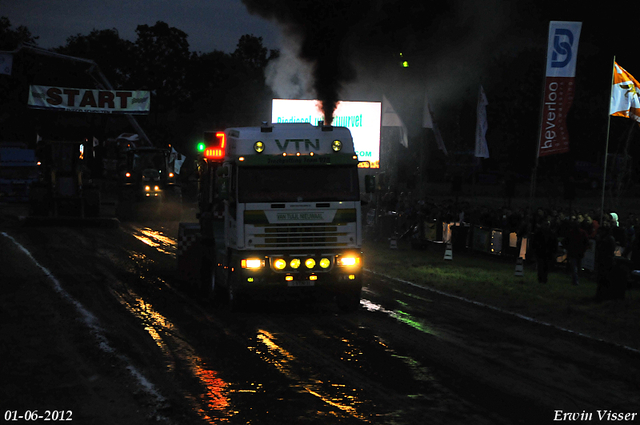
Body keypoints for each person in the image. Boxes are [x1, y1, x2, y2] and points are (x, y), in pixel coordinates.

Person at [531, 218, 557, 283]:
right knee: (542, 266)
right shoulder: (547, 233)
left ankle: (542, 278)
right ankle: (542, 278)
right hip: (543, 252)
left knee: (543, 266)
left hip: (544, 252)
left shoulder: (541, 233)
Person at [564, 219, 589, 285]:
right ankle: (577, 279)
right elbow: (586, 242)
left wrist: (567, 248)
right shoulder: (583, 232)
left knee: (574, 266)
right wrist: (584, 249)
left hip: (573, 251)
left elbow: (566, 241)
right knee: (578, 266)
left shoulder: (571, 232)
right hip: (580, 251)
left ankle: (575, 279)